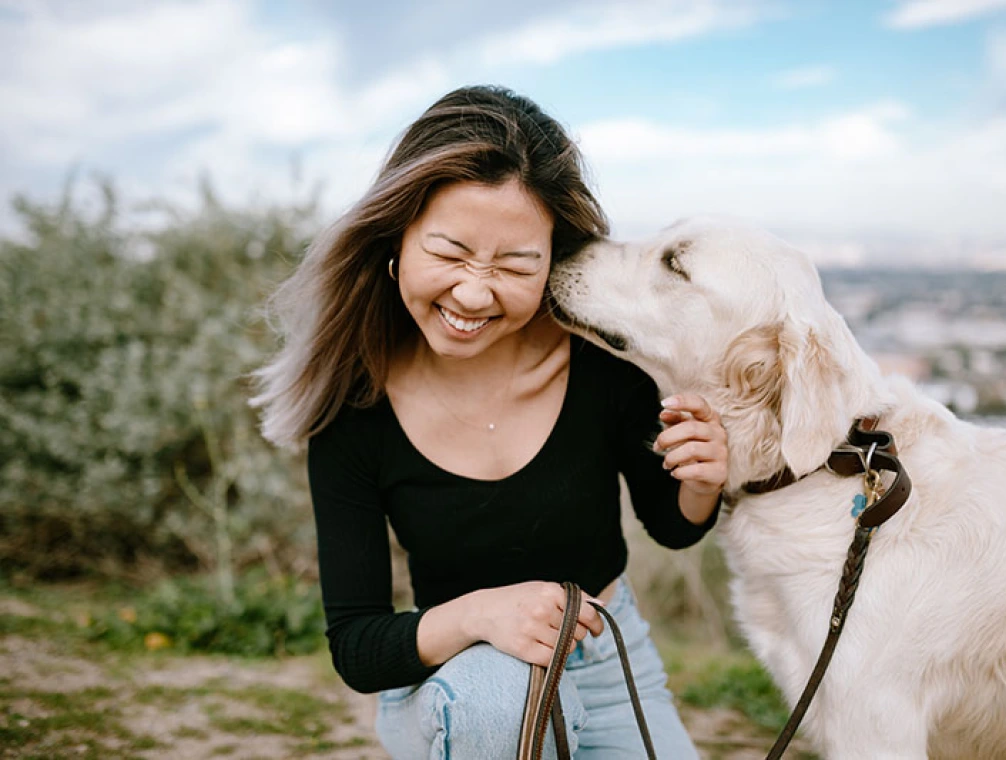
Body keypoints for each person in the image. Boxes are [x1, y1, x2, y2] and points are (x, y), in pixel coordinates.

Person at [250, 85, 728, 759]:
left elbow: (672, 526)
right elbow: (358, 646)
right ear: (397, 239)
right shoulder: (353, 407)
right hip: (458, 684)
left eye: (514, 265)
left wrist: (700, 477)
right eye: (449, 253)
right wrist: (480, 615)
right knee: (499, 699)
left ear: (553, 262)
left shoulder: (602, 363)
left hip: (608, 666)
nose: (473, 292)